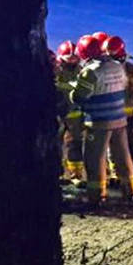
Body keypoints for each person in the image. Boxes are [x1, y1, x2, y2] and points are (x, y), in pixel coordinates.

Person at [70, 34, 133, 205]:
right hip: (119, 119)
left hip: (99, 122)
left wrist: (72, 91)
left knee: (95, 159)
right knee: (122, 155)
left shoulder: (90, 72)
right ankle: (130, 191)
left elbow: (79, 97)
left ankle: (97, 196)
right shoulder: (117, 66)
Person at [104, 35, 133, 188]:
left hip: (129, 118)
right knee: (114, 148)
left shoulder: (130, 70)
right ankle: (118, 175)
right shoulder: (109, 70)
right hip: (116, 117)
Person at [55, 40, 86, 184]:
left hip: (75, 115)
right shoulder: (56, 70)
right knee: (55, 143)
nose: (73, 60)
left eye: (75, 57)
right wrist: (69, 87)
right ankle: (57, 173)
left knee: (74, 144)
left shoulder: (81, 71)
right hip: (58, 113)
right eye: (70, 58)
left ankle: (76, 175)